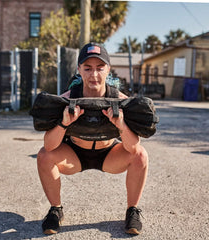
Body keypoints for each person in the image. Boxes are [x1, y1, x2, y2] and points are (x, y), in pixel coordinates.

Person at [37, 42, 148, 235]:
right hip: (75, 155)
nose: (94, 75)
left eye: (99, 68)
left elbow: (133, 147)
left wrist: (121, 126)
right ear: (79, 69)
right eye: (87, 68)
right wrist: (63, 124)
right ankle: (56, 210)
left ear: (108, 70)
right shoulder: (67, 98)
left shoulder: (121, 100)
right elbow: (49, 145)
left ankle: (133, 210)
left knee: (140, 155)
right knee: (44, 156)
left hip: (109, 155)